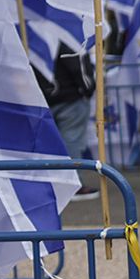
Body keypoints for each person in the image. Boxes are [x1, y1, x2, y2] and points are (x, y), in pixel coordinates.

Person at [40, 45, 99, 201]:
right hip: (71, 98)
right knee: (72, 143)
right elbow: (78, 67)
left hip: (44, 98)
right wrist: (87, 89)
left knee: (49, 145)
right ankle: (73, 185)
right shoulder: (66, 34)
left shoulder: (35, 32)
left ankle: (53, 186)